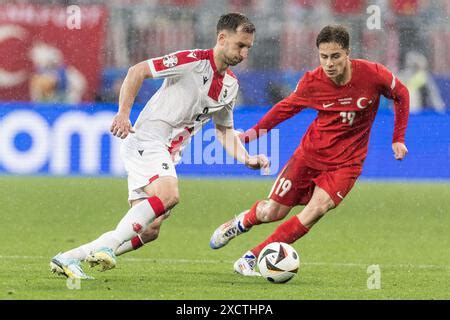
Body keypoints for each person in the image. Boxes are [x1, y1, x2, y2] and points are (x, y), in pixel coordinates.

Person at [50, 13, 269, 280]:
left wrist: (246, 158)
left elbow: (223, 130)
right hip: (147, 139)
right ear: (222, 39)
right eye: (240, 46)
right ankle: (108, 246)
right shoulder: (192, 61)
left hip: (167, 153)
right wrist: (123, 113)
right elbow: (137, 70)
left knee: (150, 230)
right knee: (169, 194)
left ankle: (69, 258)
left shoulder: (231, 86)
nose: (244, 54)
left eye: (248, 48)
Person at [209, 25, 410, 276]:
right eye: (323, 56)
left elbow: (401, 93)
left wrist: (398, 138)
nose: (329, 63)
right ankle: (241, 222)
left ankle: (253, 256)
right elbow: (284, 109)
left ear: (348, 53)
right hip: (309, 156)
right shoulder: (313, 82)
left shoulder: (372, 75)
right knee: (272, 212)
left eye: (335, 56)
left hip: (346, 164)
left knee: (316, 209)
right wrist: (250, 135)